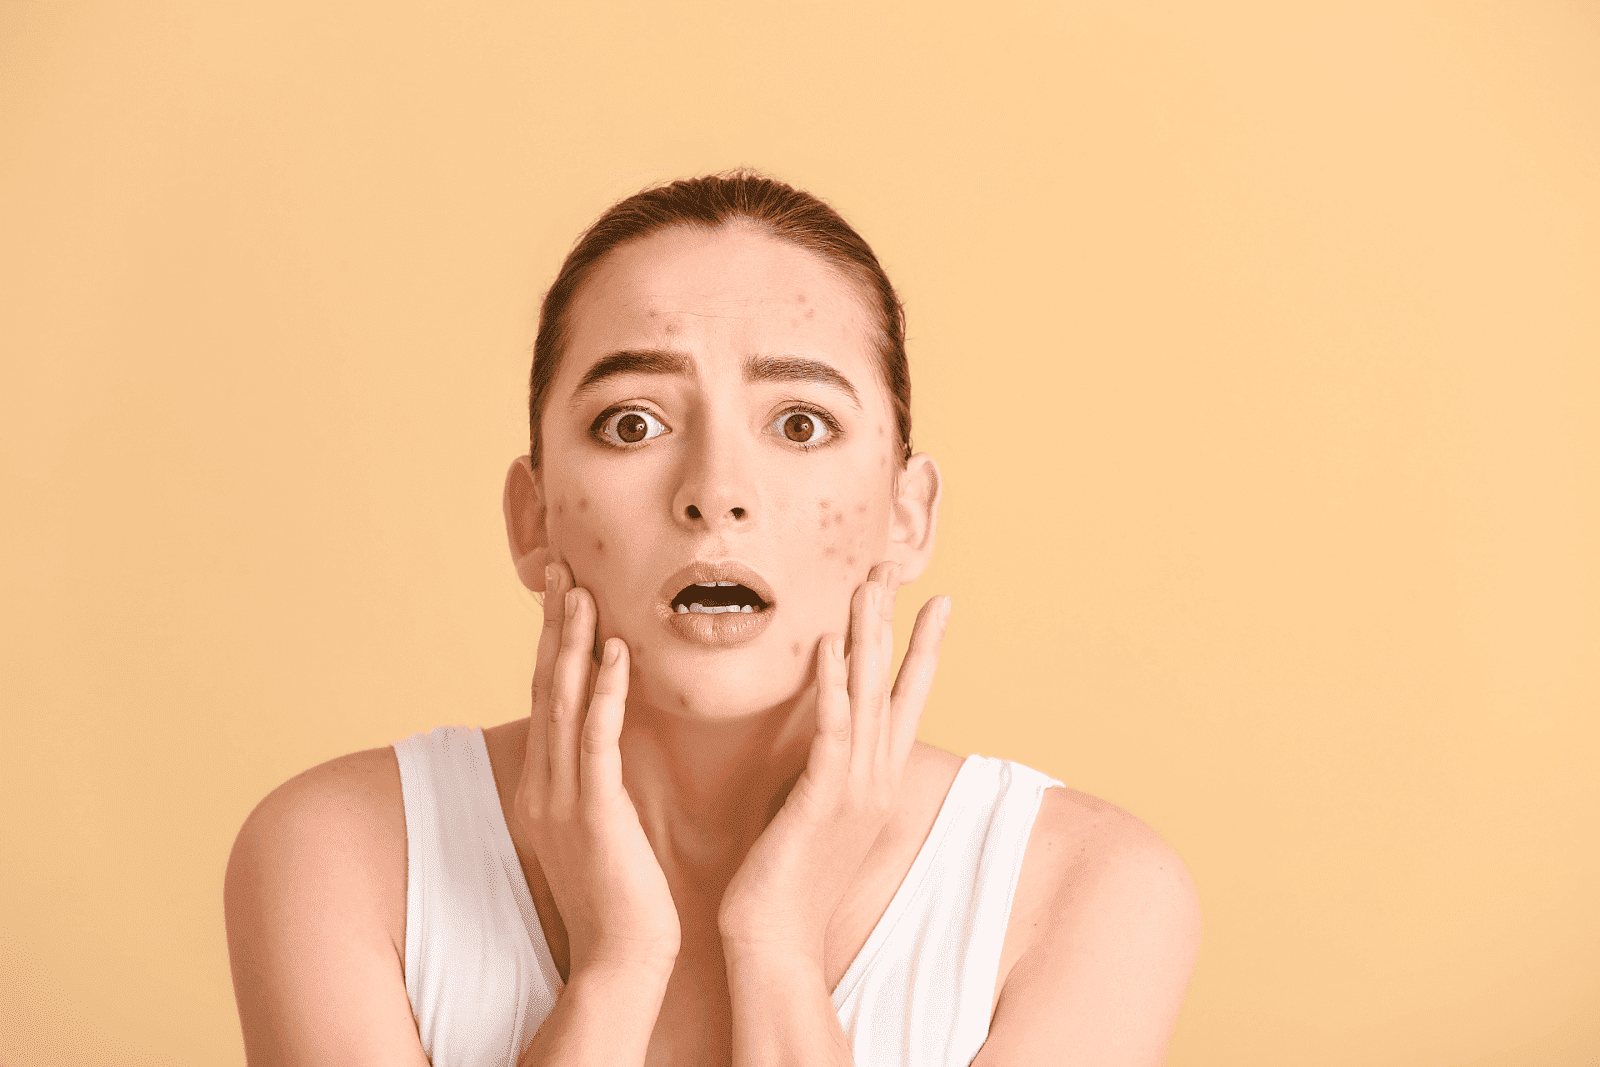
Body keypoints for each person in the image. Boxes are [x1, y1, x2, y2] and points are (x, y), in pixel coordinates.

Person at [224, 171, 1201, 1067]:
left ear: (906, 514)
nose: (715, 492)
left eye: (799, 423)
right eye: (632, 422)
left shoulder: (1086, 892)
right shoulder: (337, 853)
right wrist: (616, 967)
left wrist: (774, 949)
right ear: (534, 517)